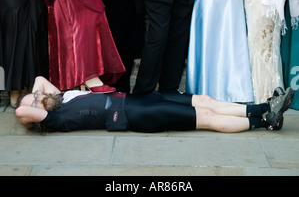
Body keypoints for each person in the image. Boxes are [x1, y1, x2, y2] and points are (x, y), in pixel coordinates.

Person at [15, 76, 295, 133]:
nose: (39, 96)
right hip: (134, 116)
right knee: (206, 116)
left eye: (37, 95)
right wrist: (32, 103)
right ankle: (263, 122)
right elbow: (21, 110)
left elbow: (40, 79)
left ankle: (264, 107)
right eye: (36, 101)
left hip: (137, 100)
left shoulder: (60, 98)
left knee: (206, 101)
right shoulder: (54, 119)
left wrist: (38, 94)